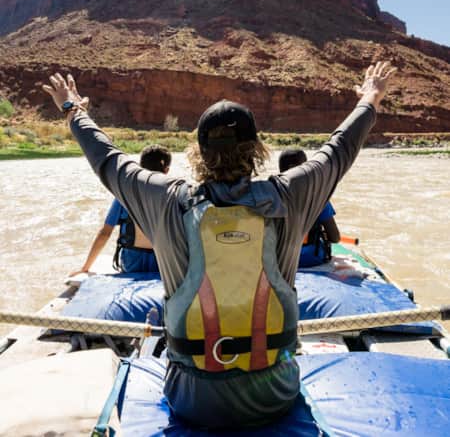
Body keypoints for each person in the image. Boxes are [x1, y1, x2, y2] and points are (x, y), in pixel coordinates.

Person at [43, 61, 396, 430]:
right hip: (274, 395)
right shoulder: (291, 195)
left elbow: (108, 159)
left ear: (198, 153)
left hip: (192, 400)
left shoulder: (166, 200)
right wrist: (371, 96)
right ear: (257, 149)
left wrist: (73, 109)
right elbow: (340, 148)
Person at [69, 145, 171, 276]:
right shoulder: (172, 195)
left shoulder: (124, 195)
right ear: (166, 170)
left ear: (139, 167)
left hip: (131, 261)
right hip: (161, 262)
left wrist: (85, 267)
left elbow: (105, 233)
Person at [278, 148, 340, 267]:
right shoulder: (320, 198)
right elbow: (335, 237)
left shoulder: (272, 195)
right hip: (312, 259)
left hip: (281, 259)